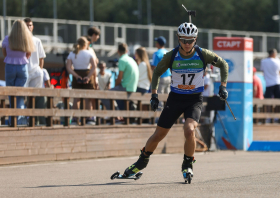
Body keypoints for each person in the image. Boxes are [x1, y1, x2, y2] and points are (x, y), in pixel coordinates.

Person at [120, 22, 229, 182]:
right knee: (159, 134)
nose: (186, 44)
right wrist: (154, 95)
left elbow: (224, 65)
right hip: (176, 98)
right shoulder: (171, 55)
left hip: (194, 99)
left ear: (195, 39)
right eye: (183, 40)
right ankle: (141, 162)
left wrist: (223, 86)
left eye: (190, 41)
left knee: (189, 130)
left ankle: (187, 163)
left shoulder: (202, 54)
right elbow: (156, 72)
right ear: (178, 38)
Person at [2, 19, 35, 125]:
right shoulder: (27, 39)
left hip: (10, 67)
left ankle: (12, 120)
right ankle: (20, 121)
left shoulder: (7, 39)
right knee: (20, 95)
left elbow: (4, 53)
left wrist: (12, 58)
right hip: (22, 67)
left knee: (11, 94)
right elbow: (29, 53)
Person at [66, 37, 97, 124]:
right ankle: (89, 118)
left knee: (76, 98)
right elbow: (94, 66)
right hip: (87, 74)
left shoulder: (72, 54)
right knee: (88, 98)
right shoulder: (89, 53)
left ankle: (75, 118)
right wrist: (88, 76)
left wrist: (76, 76)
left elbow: (68, 67)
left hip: (77, 74)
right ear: (86, 44)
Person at [101, 43, 139, 110]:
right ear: (126, 51)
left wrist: (115, 86)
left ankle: (116, 115)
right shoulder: (131, 59)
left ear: (118, 51)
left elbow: (119, 77)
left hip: (126, 87)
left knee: (104, 96)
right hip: (133, 87)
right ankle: (117, 114)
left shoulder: (122, 60)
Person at [24, 18, 45, 88]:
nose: (29, 27)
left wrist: (40, 70)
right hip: (24, 71)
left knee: (35, 96)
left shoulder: (37, 41)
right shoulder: (20, 41)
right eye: (27, 25)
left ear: (32, 27)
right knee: (22, 95)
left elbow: (41, 58)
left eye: (30, 25)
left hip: (35, 72)